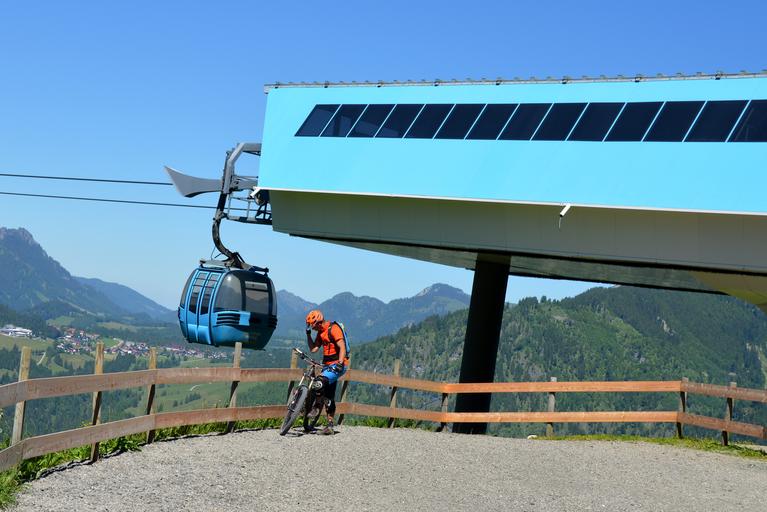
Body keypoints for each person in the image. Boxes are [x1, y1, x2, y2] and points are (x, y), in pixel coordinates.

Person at [305, 309, 348, 435]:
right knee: (329, 395)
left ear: (318, 322)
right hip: (327, 366)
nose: (313, 328)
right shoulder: (320, 332)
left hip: (338, 364)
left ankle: (317, 407)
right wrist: (308, 334)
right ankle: (330, 426)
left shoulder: (334, 329)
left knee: (319, 382)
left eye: (313, 326)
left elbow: (342, 347)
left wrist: (340, 363)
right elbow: (314, 349)